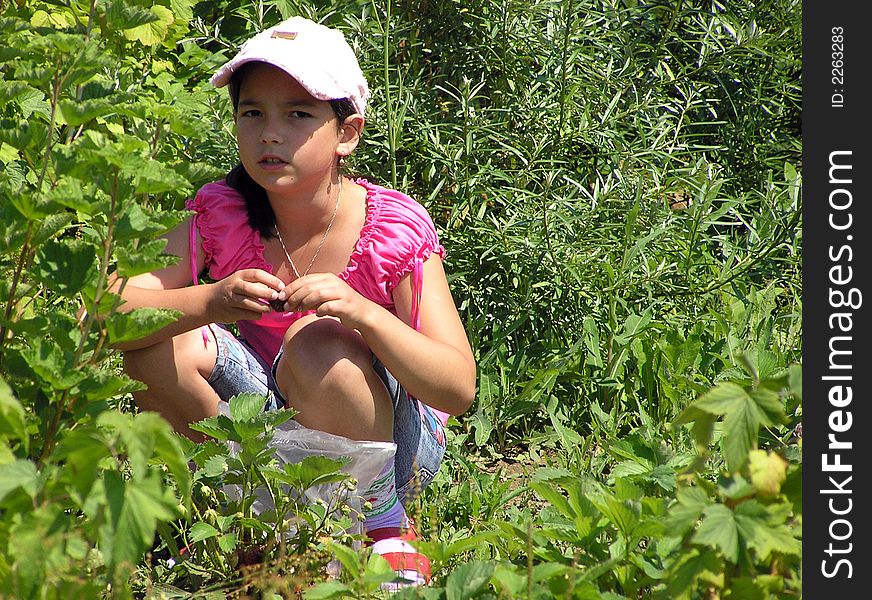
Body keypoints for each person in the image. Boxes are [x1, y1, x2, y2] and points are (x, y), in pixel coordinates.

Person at [113, 16, 476, 588]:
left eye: (298, 115)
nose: (270, 134)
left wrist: (363, 313)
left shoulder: (390, 227)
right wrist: (207, 300)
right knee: (157, 344)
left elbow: (458, 386)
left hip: (388, 449)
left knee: (317, 341)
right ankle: (246, 515)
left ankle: (380, 530)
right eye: (252, 112)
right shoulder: (218, 211)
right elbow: (112, 318)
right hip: (268, 421)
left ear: (347, 133)